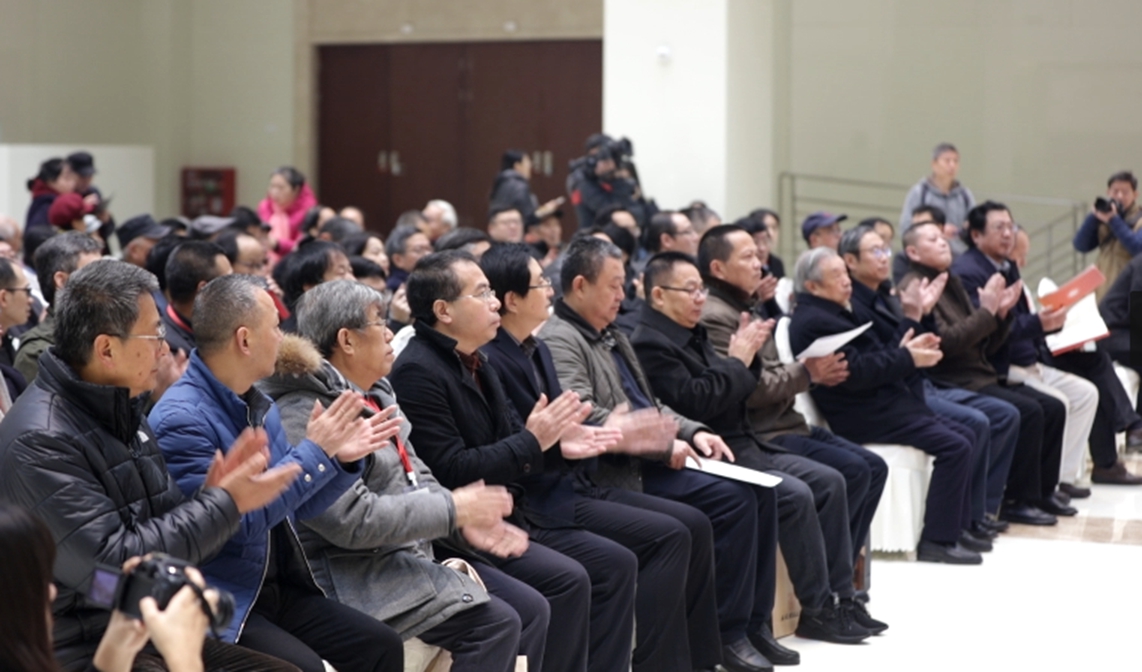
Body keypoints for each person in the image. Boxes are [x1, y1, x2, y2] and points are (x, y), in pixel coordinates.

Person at [0, 259, 302, 671]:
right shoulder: (41, 440)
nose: (165, 347)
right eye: (155, 334)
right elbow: (109, 569)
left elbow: (163, 526)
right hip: (81, 642)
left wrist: (214, 500)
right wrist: (222, 505)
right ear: (107, 349)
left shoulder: (121, 405)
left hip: (134, 622)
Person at [260, 280, 537, 672]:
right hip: (353, 572)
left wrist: (461, 519)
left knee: (531, 608)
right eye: (379, 322)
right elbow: (352, 522)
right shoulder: (305, 412)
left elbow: (417, 474)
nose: (391, 333)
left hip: (404, 554)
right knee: (494, 624)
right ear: (347, 340)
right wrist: (452, 511)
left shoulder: (376, 392)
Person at [539, 236, 781, 672]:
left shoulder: (611, 333)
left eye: (623, 284)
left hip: (644, 458)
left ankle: (732, 635)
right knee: (711, 513)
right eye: (614, 286)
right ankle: (695, 648)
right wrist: (662, 443)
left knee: (752, 495)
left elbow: (652, 404)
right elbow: (583, 412)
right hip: (613, 469)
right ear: (580, 285)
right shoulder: (561, 338)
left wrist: (693, 430)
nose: (622, 294)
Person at [479, 244, 724, 672]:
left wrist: (588, 437)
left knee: (689, 525)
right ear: (513, 299)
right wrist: (602, 436)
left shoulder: (536, 347)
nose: (549, 290)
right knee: (662, 538)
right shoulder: (500, 357)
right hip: (542, 497)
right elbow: (527, 439)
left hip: (571, 480)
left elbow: (570, 422)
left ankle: (694, 659)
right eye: (541, 283)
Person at [389, 250, 637, 672]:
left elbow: (513, 439)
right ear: (443, 311)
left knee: (598, 568)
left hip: (507, 509)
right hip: (457, 530)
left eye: (492, 291)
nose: (494, 303)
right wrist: (535, 441)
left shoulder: (478, 358)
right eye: (482, 293)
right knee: (565, 581)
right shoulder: (419, 370)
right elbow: (452, 469)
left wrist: (556, 443)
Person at [149, 274, 404, 672]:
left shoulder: (258, 403)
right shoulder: (181, 419)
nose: (284, 338)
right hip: (222, 594)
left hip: (275, 584)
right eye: (275, 327)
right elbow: (233, 525)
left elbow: (295, 507)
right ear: (244, 340)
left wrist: (338, 462)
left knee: (381, 646)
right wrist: (315, 454)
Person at [633, 251, 884, 649]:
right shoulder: (651, 342)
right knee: (795, 494)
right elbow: (700, 401)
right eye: (691, 290)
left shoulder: (693, 327)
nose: (699, 298)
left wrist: (741, 362)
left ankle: (836, 598)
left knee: (838, 477)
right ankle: (807, 611)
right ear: (659, 295)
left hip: (744, 439)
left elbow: (736, 386)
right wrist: (739, 361)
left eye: (701, 290)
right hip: (715, 447)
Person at [697, 226, 891, 569]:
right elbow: (748, 389)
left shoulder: (746, 305)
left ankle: (840, 572)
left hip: (788, 421)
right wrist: (806, 373)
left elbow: (767, 373)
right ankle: (832, 580)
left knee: (873, 467)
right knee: (851, 472)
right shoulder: (716, 317)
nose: (759, 264)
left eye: (758, 256)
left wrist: (804, 373)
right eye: (748, 257)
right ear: (718, 268)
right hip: (764, 431)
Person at [787, 248, 982, 564]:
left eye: (845, 273)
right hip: (861, 413)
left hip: (882, 402)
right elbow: (857, 373)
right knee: (955, 445)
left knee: (966, 433)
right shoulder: (814, 321)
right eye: (836, 275)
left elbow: (878, 353)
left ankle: (956, 528)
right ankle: (936, 540)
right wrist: (908, 356)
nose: (846, 281)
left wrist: (907, 347)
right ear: (813, 286)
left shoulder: (838, 310)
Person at [840, 224, 1017, 540]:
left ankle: (970, 519)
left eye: (885, 249)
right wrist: (919, 316)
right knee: (975, 425)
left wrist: (994, 314)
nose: (884, 257)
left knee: (985, 422)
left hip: (914, 383)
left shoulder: (891, 293)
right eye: (875, 251)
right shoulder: (866, 300)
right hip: (916, 387)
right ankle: (949, 531)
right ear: (850, 262)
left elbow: (923, 342)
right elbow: (902, 352)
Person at [964, 206, 1142, 488]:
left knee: (1093, 368)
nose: (1008, 236)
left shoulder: (1006, 268)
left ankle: (1085, 469)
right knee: (1078, 385)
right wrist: (1042, 325)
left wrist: (1058, 329)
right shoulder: (975, 273)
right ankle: (1121, 437)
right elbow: (998, 330)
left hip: (1037, 348)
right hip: (1009, 360)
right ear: (976, 235)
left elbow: (1022, 323)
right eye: (1000, 228)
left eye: (1011, 228)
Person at [901, 221, 1066, 526]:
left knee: (1052, 407)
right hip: (950, 378)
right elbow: (947, 343)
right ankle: (1004, 502)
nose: (943, 243)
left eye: (942, 237)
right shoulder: (915, 286)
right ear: (913, 252)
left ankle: (1039, 493)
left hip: (979, 372)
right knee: (1025, 412)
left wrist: (999, 316)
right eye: (932, 239)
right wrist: (987, 312)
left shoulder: (949, 279)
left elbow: (985, 342)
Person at [0, 503, 232, 672]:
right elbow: (103, 561)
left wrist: (119, 641)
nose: (51, 592)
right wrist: (186, 658)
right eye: (35, 581)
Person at [14, 232, 104, 383]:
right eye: (94, 274)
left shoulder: (111, 328)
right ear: (61, 281)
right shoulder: (38, 352)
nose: (107, 281)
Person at [1073, 170, 1142, 300]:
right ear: (1108, 192)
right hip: (1104, 294)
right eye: (1115, 192)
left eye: (1125, 192)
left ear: (1135, 194)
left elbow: (1138, 249)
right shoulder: (1104, 219)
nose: (1119, 196)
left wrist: (1114, 220)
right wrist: (1094, 217)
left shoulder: (1139, 220)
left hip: (1131, 296)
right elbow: (1080, 245)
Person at [898, 143, 975, 250]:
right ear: (934, 164)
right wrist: (939, 231)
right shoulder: (920, 192)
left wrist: (959, 232)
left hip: (959, 254)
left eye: (956, 161)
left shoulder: (965, 195)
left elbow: (975, 228)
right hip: (927, 252)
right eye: (947, 161)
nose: (952, 165)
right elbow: (906, 226)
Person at [161, 241, 233, 356]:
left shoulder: (218, 325)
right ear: (204, 289)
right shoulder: (170, 351)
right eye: (228, 282)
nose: (235, 288)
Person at [280, 241, 354, 330]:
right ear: (311, 287)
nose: (353, 279)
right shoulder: (295, 334)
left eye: (350, 271)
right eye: (341, 273)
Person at [490, 150, 564, 228]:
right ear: (517, 166)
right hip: (515, 230)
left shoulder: (501, 183)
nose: (530, 165)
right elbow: (528, 218)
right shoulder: (519, 186)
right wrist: (545, 211)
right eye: (527, 162)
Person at [258, 167, 318, 258]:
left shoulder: (309, 211)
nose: (274, 192)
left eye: (280, 187)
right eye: (272, 186)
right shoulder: (264, 206)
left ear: (296, 190)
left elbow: (306, 247)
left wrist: (277, 245)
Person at [26, 158, 76, 230]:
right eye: (67, 178)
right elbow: (36, 233)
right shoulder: (46, 204)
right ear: (50, 180)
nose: (72, 183)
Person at [385, 227, 434, 292]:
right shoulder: (396, 289)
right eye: (418, 250)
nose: (428, 254)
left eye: (429, 248)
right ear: (398, 260)